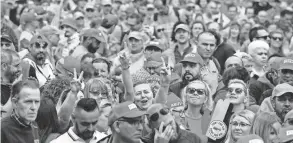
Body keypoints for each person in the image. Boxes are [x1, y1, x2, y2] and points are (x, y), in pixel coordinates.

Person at [1, 78, 41, 143]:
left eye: (37, 102)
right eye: (28, 102)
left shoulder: (34, 126)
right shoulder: (3, 129)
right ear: (15, 103)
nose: (34, 107)